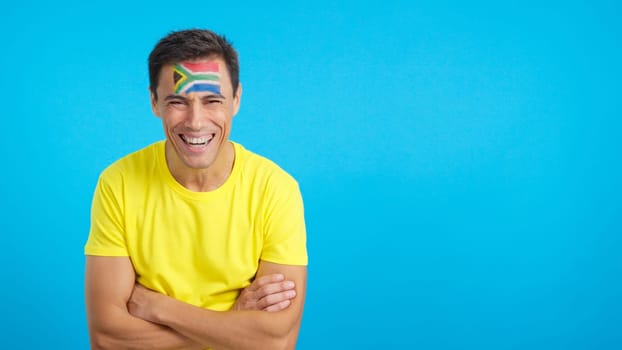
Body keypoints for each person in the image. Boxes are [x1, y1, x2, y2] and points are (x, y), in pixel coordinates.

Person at [84, 29, 308, 350]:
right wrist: (233, 321)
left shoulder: (276, 189)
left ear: (237, 99)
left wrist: (161, 308)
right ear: (154, 102)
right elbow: (107, 338)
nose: (196, 122)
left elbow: (275, 341)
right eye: (177, 102)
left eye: (212, 101)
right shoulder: (118, 182)